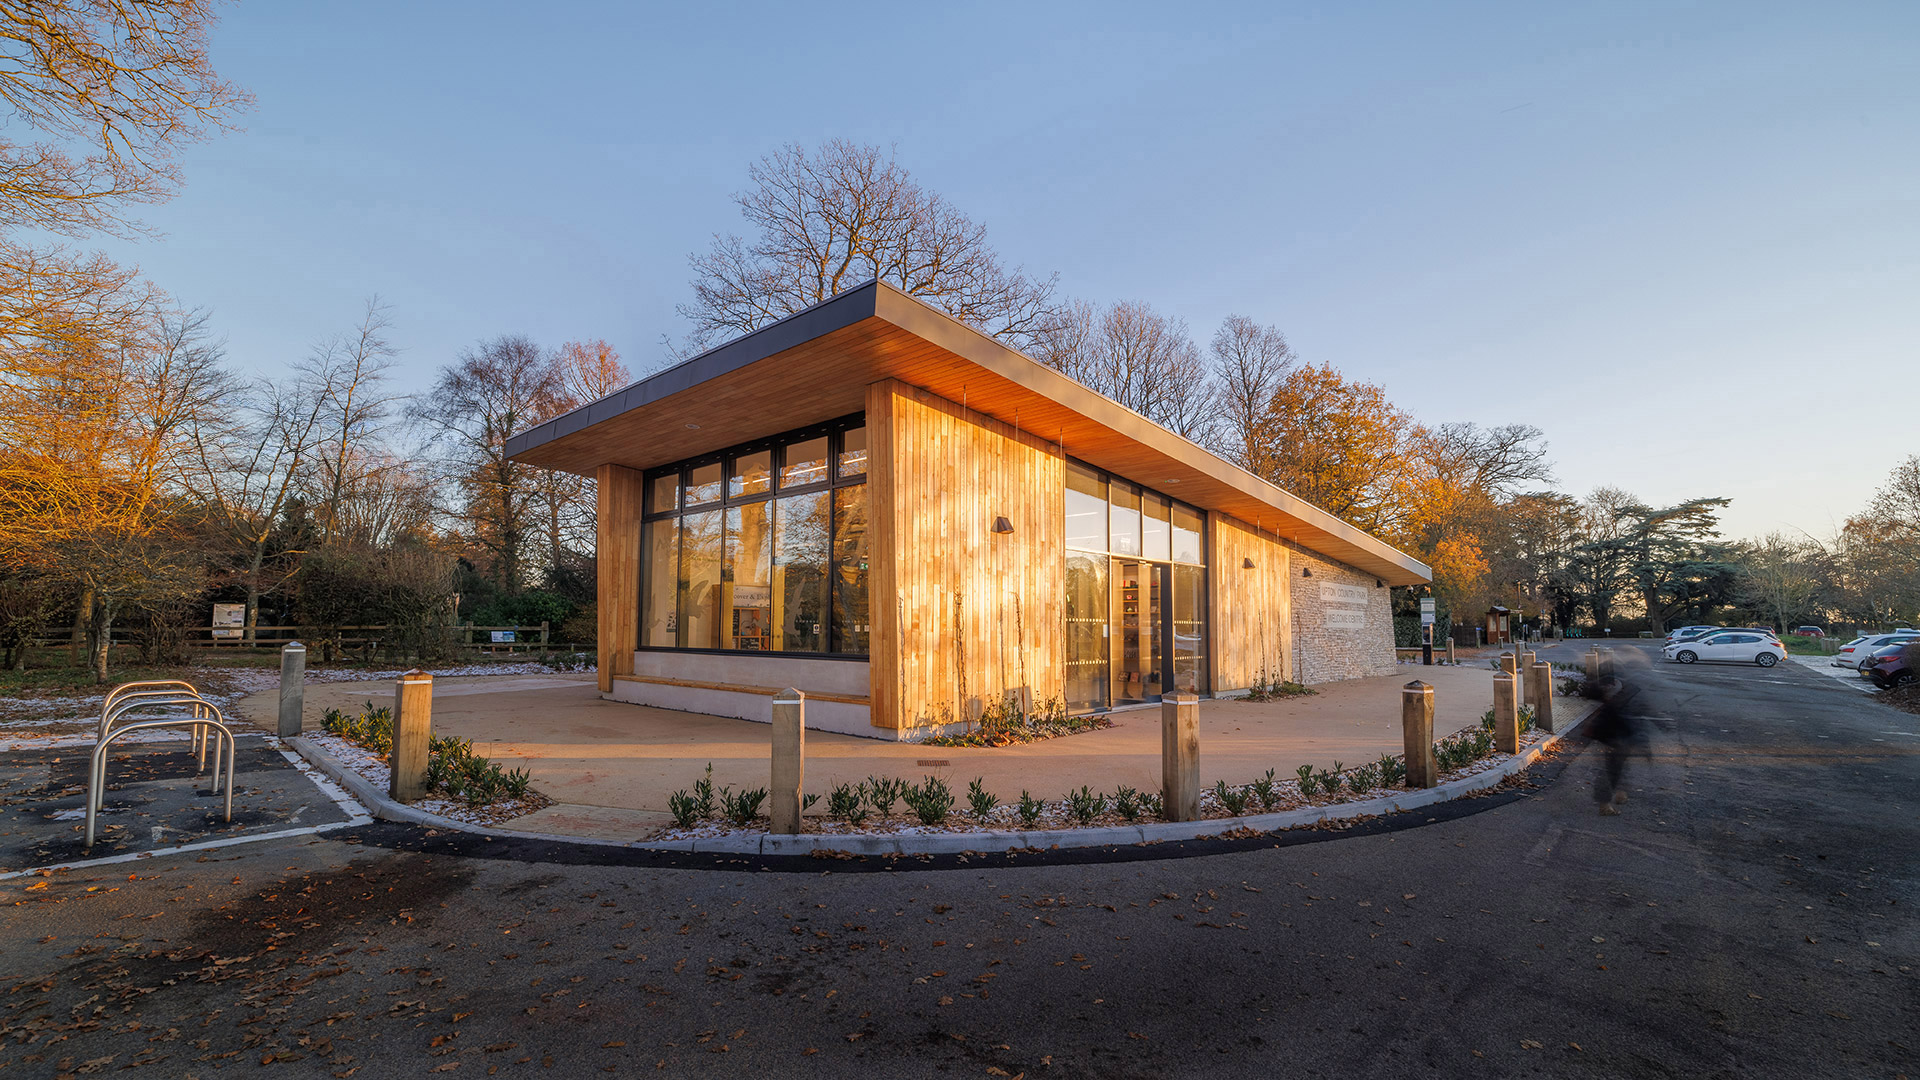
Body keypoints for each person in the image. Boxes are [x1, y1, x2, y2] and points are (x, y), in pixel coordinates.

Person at [1590, 674, 1640, 815]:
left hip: (1619, 732)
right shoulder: (1627, 692)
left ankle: (1618, 793)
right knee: (1613, 768)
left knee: (1618, 766)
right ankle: (1606, 803)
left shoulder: (1627, 690)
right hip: (1617, 733)